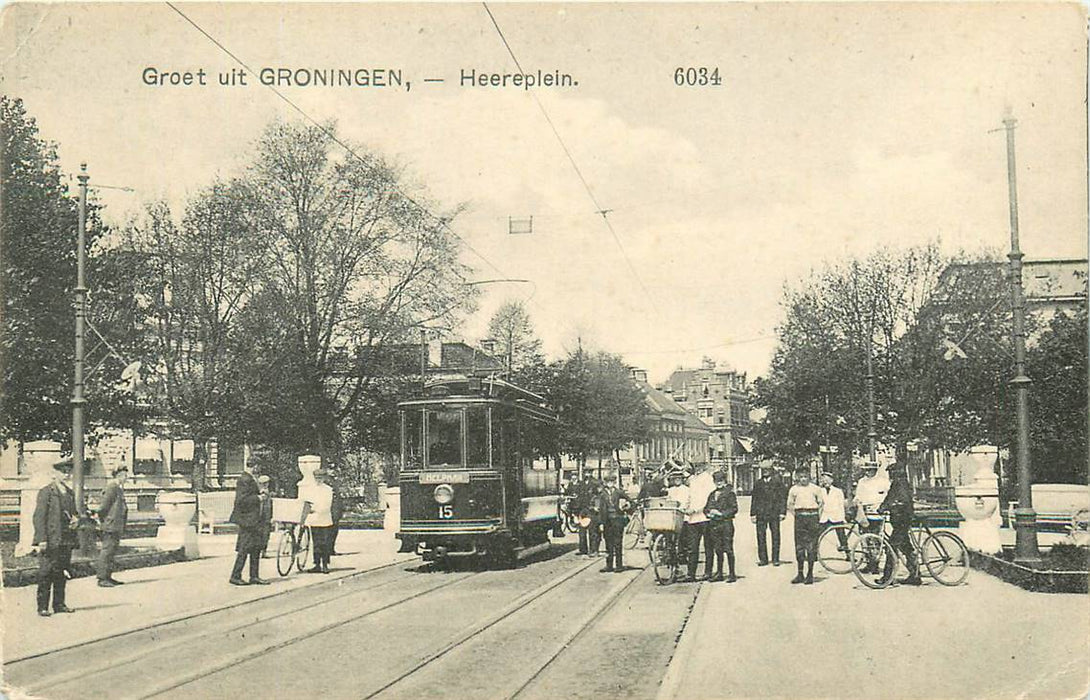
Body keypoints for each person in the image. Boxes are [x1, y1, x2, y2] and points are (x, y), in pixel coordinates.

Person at [32, 459, 79, 616]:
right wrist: (41, 539)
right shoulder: (46, 492)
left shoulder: (69, 493)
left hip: (65, 540)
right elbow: (39, 517)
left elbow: (74, 513)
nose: (66, 474)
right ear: (54, 474)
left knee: (61, 572)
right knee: (46, 572)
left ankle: (59, 604)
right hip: (51, 539)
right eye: (63, 471)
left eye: (68, 472)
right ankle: (42, 607)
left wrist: (76, 520)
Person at [879, 462, 921, 586]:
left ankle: (887, 577)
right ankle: (915, 576)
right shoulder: (896, 484)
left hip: (902, 520)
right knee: (906, 548)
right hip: (898, 521)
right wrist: (882, 507)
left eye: (891, 472)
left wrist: (891, 506)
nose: (889, 474)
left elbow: (903, 500)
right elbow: (889, 498)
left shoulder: (902, 484)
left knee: (891, 547)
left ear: (897, 472)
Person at [228, 462, 269, 585]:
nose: (259, 469)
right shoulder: (245, 479)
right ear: (254, 466)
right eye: (258, 466)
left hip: (255, 519)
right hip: (247, 520)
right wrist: (259, 498)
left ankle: (254, 576)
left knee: (255, 548)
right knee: (244, 549)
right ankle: (235, 576)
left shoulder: (250, 478)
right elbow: (242, 500)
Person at [786, 468, 824, 584]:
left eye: (805, 476)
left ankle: (810, 574)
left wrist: (817, 517)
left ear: (809, 477)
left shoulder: (815, 489)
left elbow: (821, 504)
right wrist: (797, 515)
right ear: (797, 477)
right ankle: (800, 573)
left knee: (811, 547)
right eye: (801, 477)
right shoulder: (794, 489)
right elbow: (790, 504)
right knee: (799, 546)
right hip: (800, 518)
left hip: (812, 517)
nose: (803, 479)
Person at [96, 464, 130, 587]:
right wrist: (105, 522)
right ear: (119, 475)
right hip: (110, 525)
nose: (127, 478)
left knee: (112, 551)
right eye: (125, 475)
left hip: (116, 525)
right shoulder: (112, 487)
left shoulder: (118, 488)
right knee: (107, 551)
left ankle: (108, 576)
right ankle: (102, 578)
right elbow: (103, 507)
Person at [683, 463, 716, 582]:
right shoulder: (692, 480)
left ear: (703, 467)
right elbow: (690, 497)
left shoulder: (708, 478)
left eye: (698, 466)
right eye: (694, 466)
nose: (696, 469)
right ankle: (691, 573)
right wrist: (685, 507)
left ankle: (708, 572)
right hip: (692, 519)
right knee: (692, 547)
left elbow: (709, 498)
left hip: (705, 518)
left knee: (708, 547)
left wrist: (696, 509)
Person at [704, 470, 739, 582]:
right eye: (716, 481)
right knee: (718, 549)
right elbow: (706, 508)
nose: (718, 483)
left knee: (728, 549)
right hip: (714, 525)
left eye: (721, 481)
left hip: (726, 524)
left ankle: (732, 574)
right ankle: (719, 573)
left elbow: (734, 509)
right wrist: (708, 513)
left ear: (724, 481)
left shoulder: (730, 494)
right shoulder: (712, 494)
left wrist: (721, 513)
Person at [751, 468, 787, 566]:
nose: (765, 471)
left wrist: (783, 512)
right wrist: (753, 514)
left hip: (774, 513)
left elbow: (783, 498)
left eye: (767, 469)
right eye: (764, 469)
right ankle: (763, 559)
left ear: (771, 470)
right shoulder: (758, 483)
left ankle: (775, 559)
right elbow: (754, 499)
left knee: (775, 536)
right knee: (760, 536)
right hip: (760, 514)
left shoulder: (778, 482)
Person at [598, 474, 632, 572]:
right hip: (607, 521)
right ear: (605, 483)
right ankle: (609, 566)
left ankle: (619, 565)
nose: (610, 484)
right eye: (608, 482)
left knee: (618, 543)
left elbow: (630, 501)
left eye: (612, 482)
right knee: (608, 544)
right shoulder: (602, 494)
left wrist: (626, 506)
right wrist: (601, 523)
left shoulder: (618, 492)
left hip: (617, 520)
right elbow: (601, 509)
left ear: (614, 483)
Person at [306, 469, 336, 573]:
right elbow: (308, 501)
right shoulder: (311, 489)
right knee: (316, 543)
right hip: (315, 520)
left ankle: (325, 564)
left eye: (320, 478)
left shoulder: (328, 489)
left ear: (324, 478)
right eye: (317, 478)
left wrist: (316, 509)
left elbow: (327, 505)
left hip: (325, 519)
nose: (318, 480)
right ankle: (317, 564)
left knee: (325, 543)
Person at [818, 471, 849, 552]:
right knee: (817, 535)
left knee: (842, 536)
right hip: (825, 517)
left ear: (832, 480)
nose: (825, 482)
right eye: (823, 480)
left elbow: (841, 505)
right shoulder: (820, 491)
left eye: (827, 480)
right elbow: (820, 504)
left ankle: (848, 554)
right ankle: (814, 554)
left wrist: (842, 518)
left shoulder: (838, 491)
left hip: (836, 516)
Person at [256, 475, 274, 558]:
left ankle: (264, 551)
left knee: (266, 535)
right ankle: (258, 552)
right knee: (259, 535)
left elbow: (270, 505)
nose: (265, 485)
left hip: (267, 516)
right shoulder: (259, 492)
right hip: (259, 516)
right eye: (263, 483)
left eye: (266, 483)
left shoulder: (269, 493)